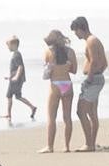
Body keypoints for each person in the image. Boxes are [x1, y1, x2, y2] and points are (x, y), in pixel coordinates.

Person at [38, 29, 77, 153]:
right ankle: (66, 146)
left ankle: (50, 146)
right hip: (67, 84)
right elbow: (74, 70)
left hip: (55, 84)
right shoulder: (70, 52)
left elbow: (46, 74)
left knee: (51, 118)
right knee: (67, 117)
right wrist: (65, 67)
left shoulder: (48, 52)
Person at [70, 17, 105, 152]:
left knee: (81, 111)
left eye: (75, 31)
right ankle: (91, 143)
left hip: (93, 80)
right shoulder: (94, 40)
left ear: (80, 28)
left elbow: (94, 61)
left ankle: (89, 144)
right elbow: (104, 63)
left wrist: (90, 78)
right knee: (92, 113)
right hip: (97, 78)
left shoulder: (91, 41)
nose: (75, 34)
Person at [2, 36, 36, 122]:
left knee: (9, 95)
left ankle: (9, 114)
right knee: (18, 96)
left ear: (14, 45)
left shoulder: (17, 55)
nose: (8, 47)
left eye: (8, 45)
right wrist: (10, 77)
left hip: (16, 80)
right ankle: (32, 107)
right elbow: (16, 69)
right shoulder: (16, 54)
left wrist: (16, 77)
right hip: (16, 79)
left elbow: (20, 67)